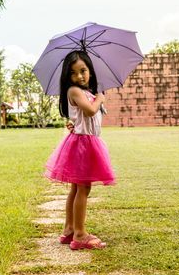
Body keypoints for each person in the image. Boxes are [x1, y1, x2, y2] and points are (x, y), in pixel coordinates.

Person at [45, 50, 115, 250]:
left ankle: (69, 229)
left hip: (84, 141)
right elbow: (90, 110)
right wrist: (100, 99)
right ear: (68, 77)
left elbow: (85, 118)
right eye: (73, 73)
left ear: (90, 71)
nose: (79, 76)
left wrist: (94, 99)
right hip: (83, 144)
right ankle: (80, 234)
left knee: (77, 187)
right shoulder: (75, 91)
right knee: (83, 187)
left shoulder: (87, 93)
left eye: (83, 70)